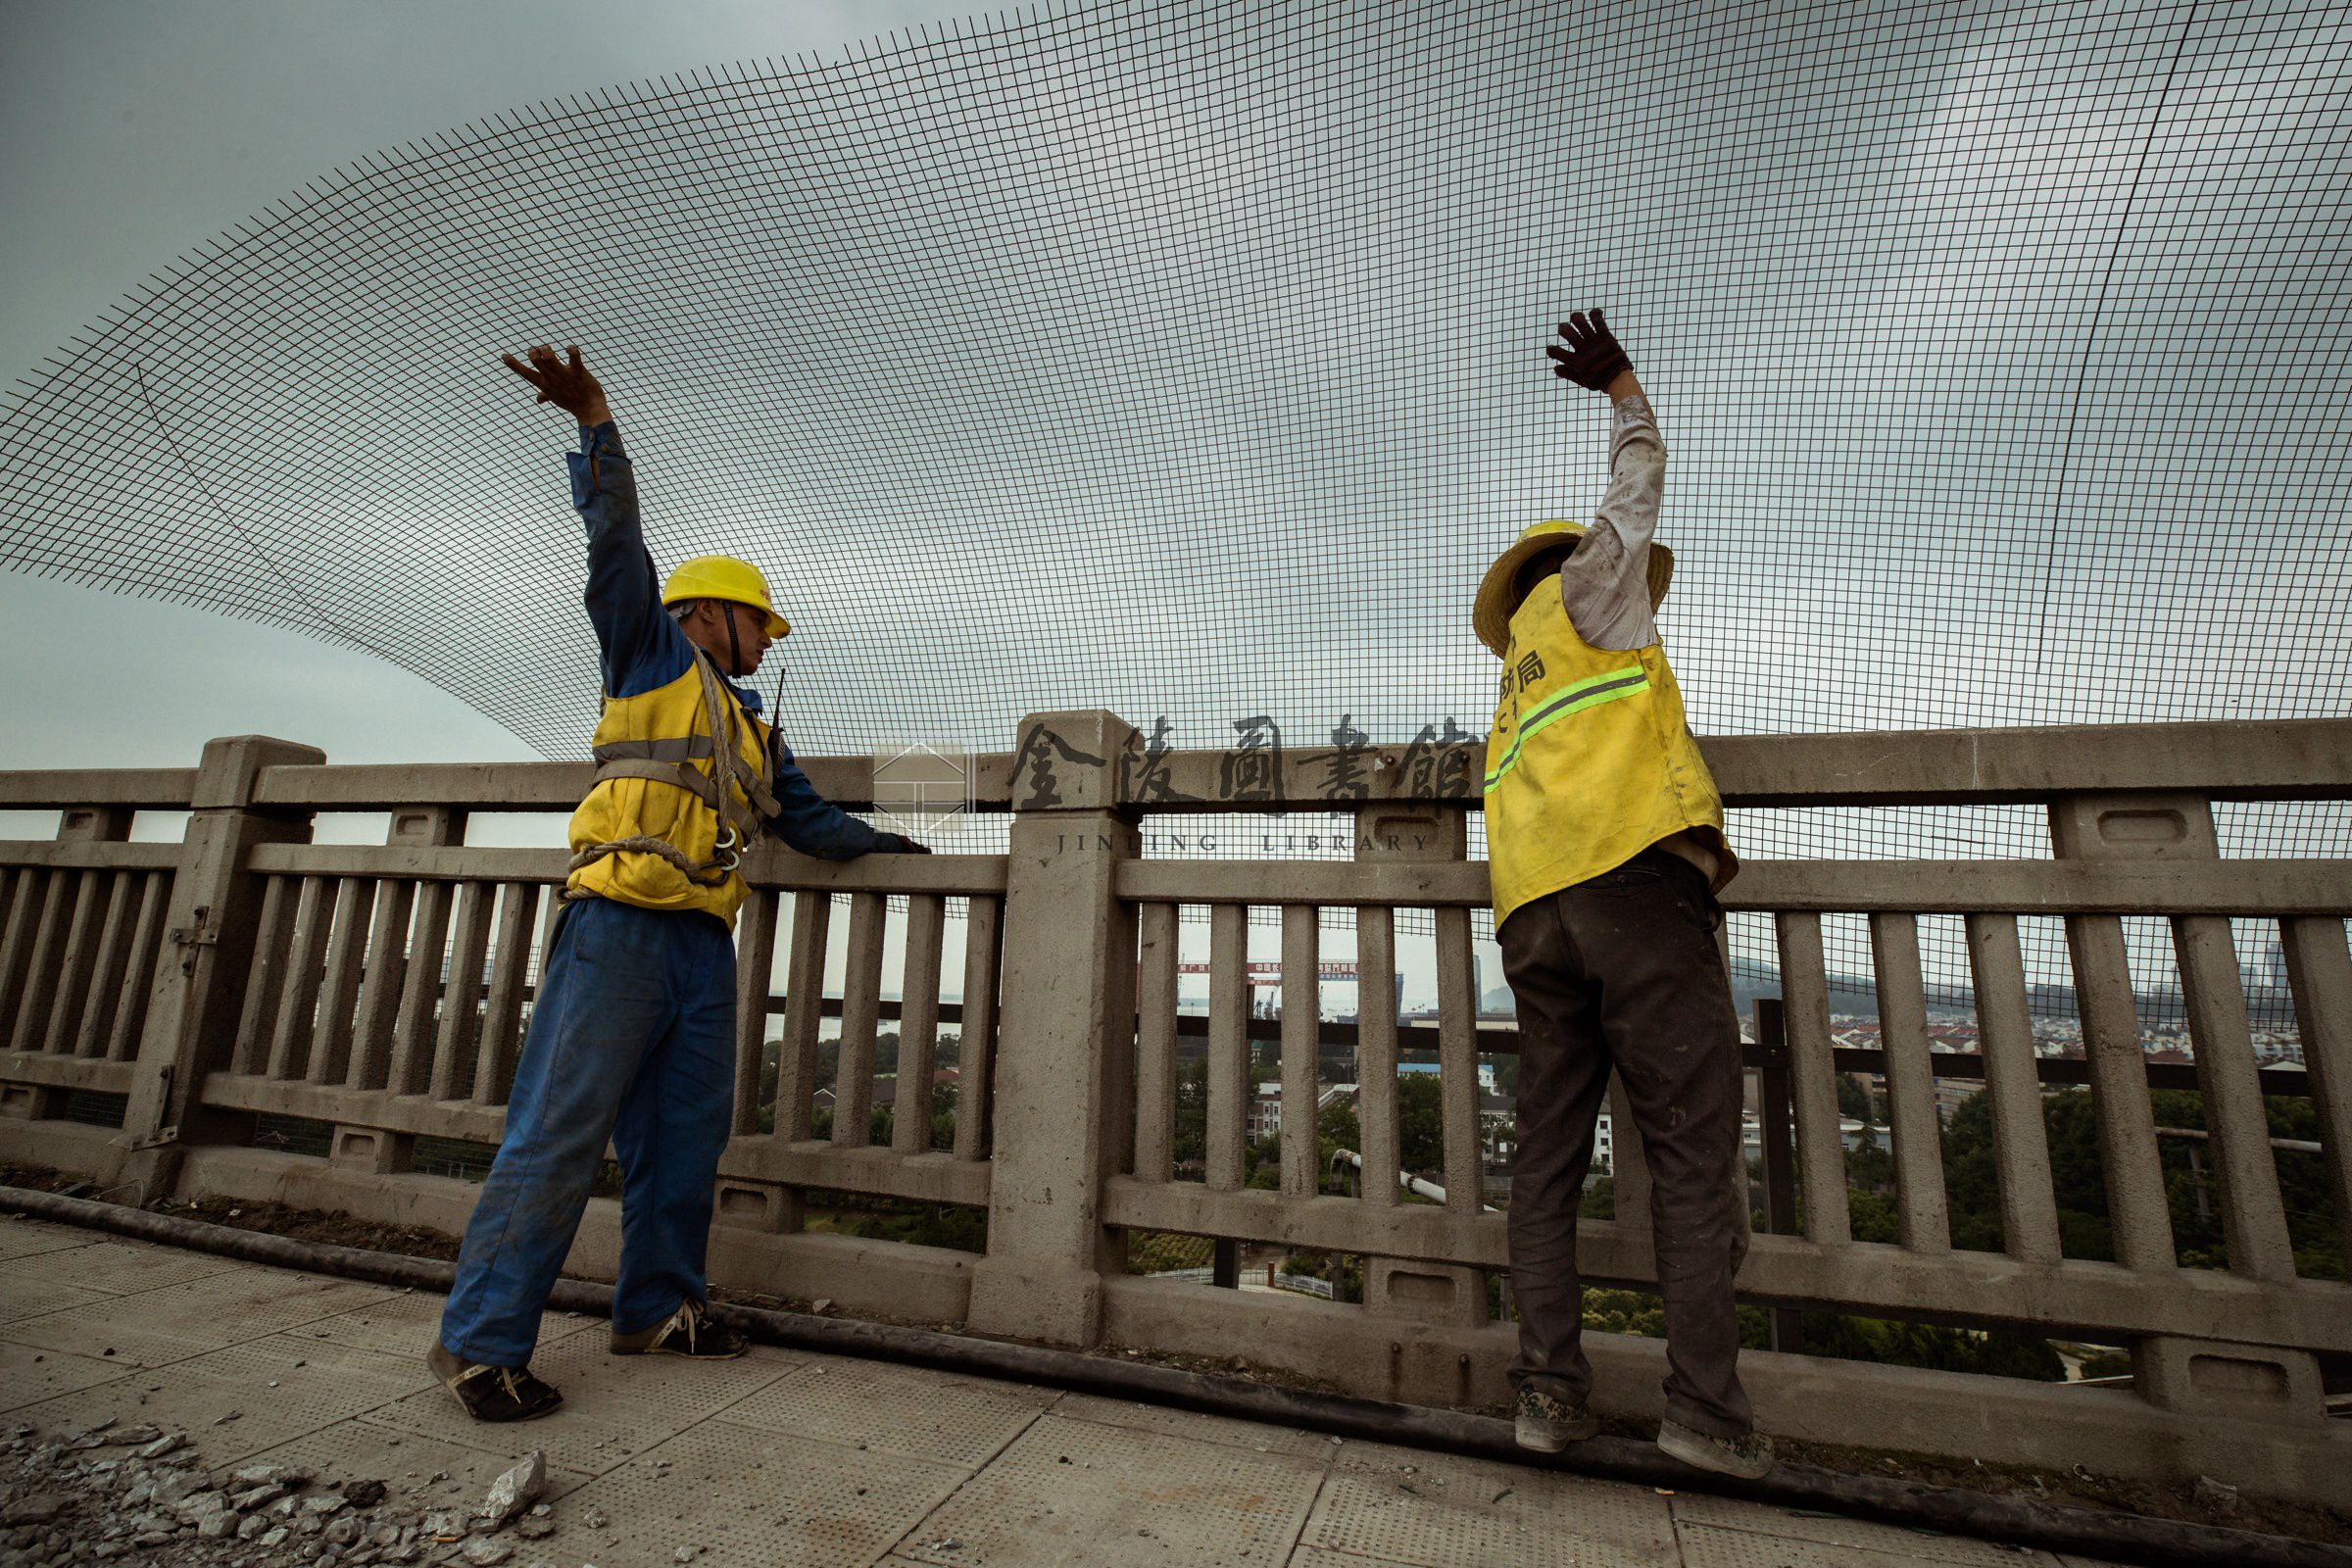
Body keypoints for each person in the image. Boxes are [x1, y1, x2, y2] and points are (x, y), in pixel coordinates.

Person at [428, 344, 929, 1421]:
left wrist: (890, 846)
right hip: (615, 927)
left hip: (703, 946)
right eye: (758, 622)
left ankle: (658, 1306)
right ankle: (482, 1344)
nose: (765, 639)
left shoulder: (754, 728)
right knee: (559, 1129)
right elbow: (616, 542)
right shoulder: (647, 649)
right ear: (710, 612)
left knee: (686, 1140)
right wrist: (597, 424)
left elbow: (810, 822)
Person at [1474, 310, 1771, 1479]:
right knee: (1691, 1156)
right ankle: (1706, 1414)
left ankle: (1547, 1395)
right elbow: (1639, 481)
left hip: (1533, 924)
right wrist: (1624, 389)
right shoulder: (1598, 594)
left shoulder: (1511, 691)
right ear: (1579, 566)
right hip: (1635, 894)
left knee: (1544, 1163)